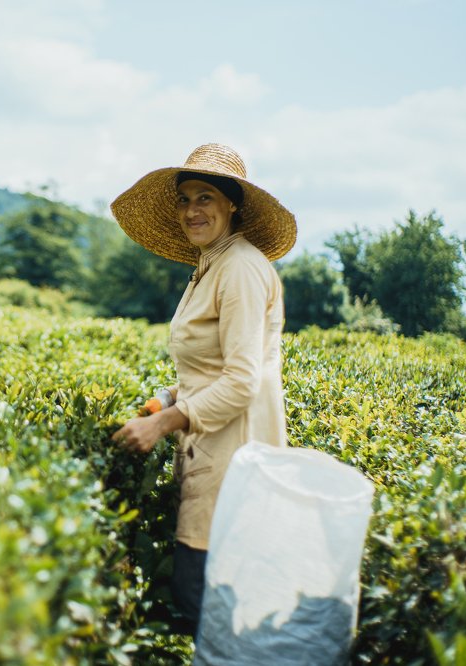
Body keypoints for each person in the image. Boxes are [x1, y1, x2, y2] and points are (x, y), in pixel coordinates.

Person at [109, 143, 297, 636]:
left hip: (235, 458)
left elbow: (241, 380)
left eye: (206, 197)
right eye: (185, 198)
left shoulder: (240, 269)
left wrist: (162, 425)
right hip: (211, 452)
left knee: (204, 606)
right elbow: (209, 367)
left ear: (232, 204)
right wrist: (165, 400)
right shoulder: (211, 265)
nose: (192, 210)